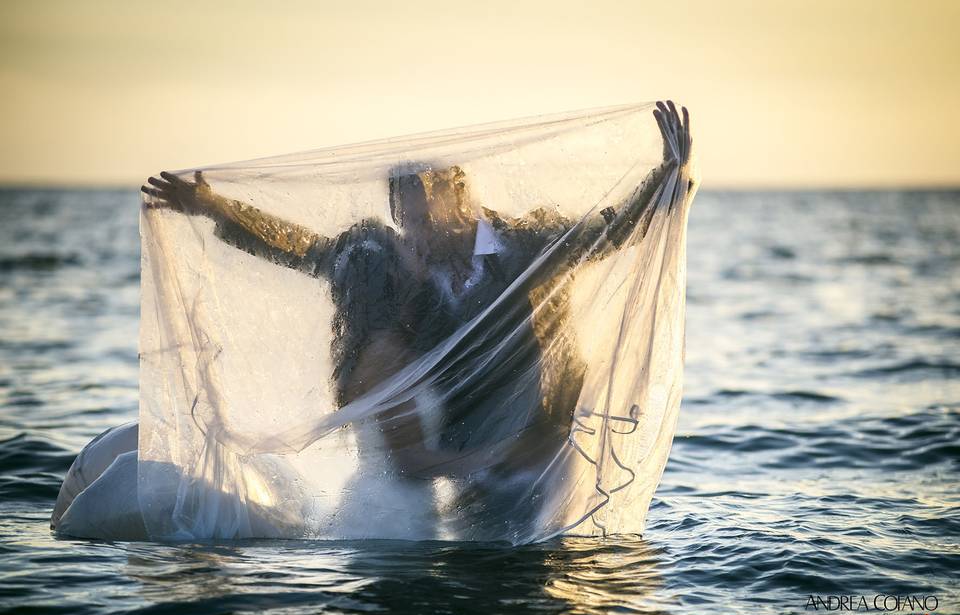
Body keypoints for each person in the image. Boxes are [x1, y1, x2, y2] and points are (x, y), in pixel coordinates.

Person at [53, 102, 692, 539]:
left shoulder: (528, 248)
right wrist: (217, 207)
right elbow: (298, 247)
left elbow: (611, 236)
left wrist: (667, 183)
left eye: (423, 211)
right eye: (404, 214)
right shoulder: (384, 266)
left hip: (537, 441)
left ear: (462, 199)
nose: (413, 227)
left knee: (524, 566)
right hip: (460, 446)